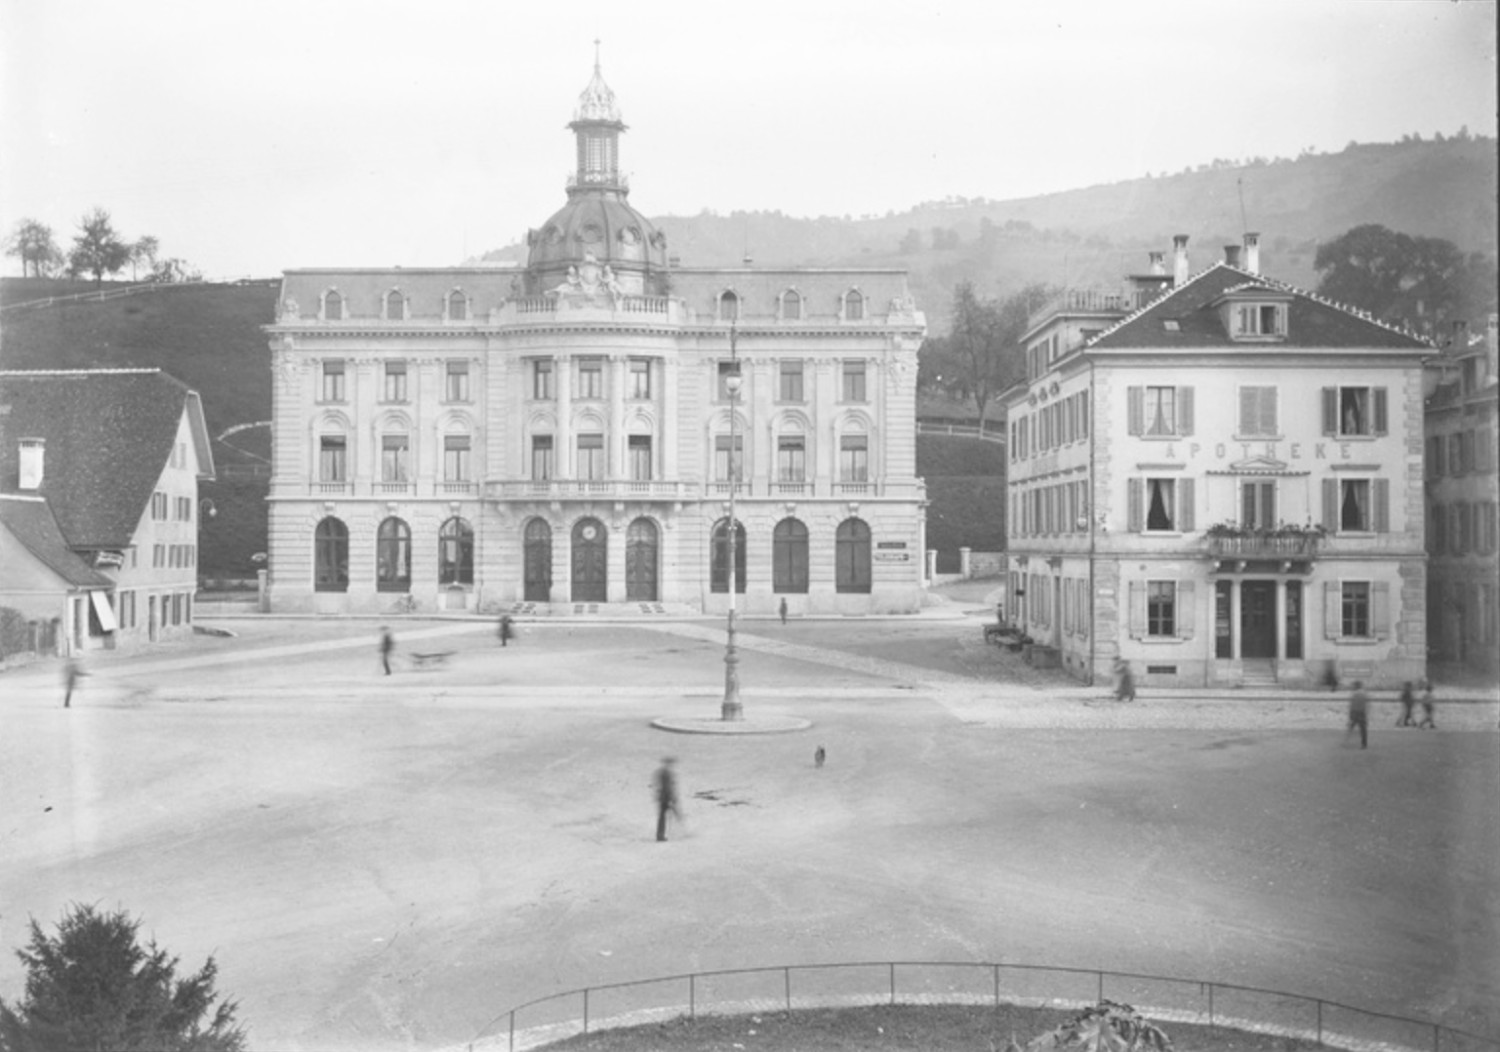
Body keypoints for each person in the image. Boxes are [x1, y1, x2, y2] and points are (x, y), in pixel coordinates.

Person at [653, 757, 680, 842]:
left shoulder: (663, 773)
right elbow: (667, 787)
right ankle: (661, 835)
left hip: (663, 797)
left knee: (663, 816)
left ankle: (660, 834)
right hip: (665, 797)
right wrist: (671, 797)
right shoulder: (666, 774)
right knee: (664, 816)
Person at [1347, 681, 1370, 748]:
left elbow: (1352, 705)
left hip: (1355, 712)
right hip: (1362, 713)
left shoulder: (1354, 694)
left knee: (1351, 727)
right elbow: (1367, 704)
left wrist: (1350, 714)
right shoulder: (1364, 694)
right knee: (1363, 730)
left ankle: (1346, 741)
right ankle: (1364, 744)